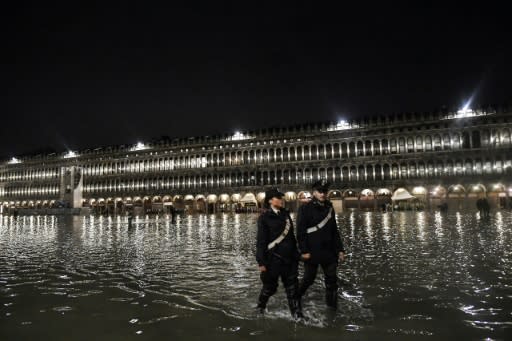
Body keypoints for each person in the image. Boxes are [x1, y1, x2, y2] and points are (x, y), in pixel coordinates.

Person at [297, 179, 345, 310]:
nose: (323, 194)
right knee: (308, 279)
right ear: (314, 192)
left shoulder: (329, 208)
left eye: (325, 191)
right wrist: (304, 251)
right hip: (312, 251)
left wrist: (340, 250)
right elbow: (300, 232)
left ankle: (332, 309)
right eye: (320, 191)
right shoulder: (304, 209)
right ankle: (295, 298)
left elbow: (334, 230)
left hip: (329, 252)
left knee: (332, 281)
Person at [256, 187, 303, 319]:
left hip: (290, 259)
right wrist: (261, 262)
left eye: (281, 198)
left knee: (293, 289)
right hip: (273, 260)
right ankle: (260, 307)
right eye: (278, 198)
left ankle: (297, 316)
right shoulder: (264, 218)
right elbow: (261, 241)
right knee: (270, 287)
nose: (281, 200)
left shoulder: (286, 215)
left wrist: (297, 254)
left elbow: (291, 237)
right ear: (270, 200)